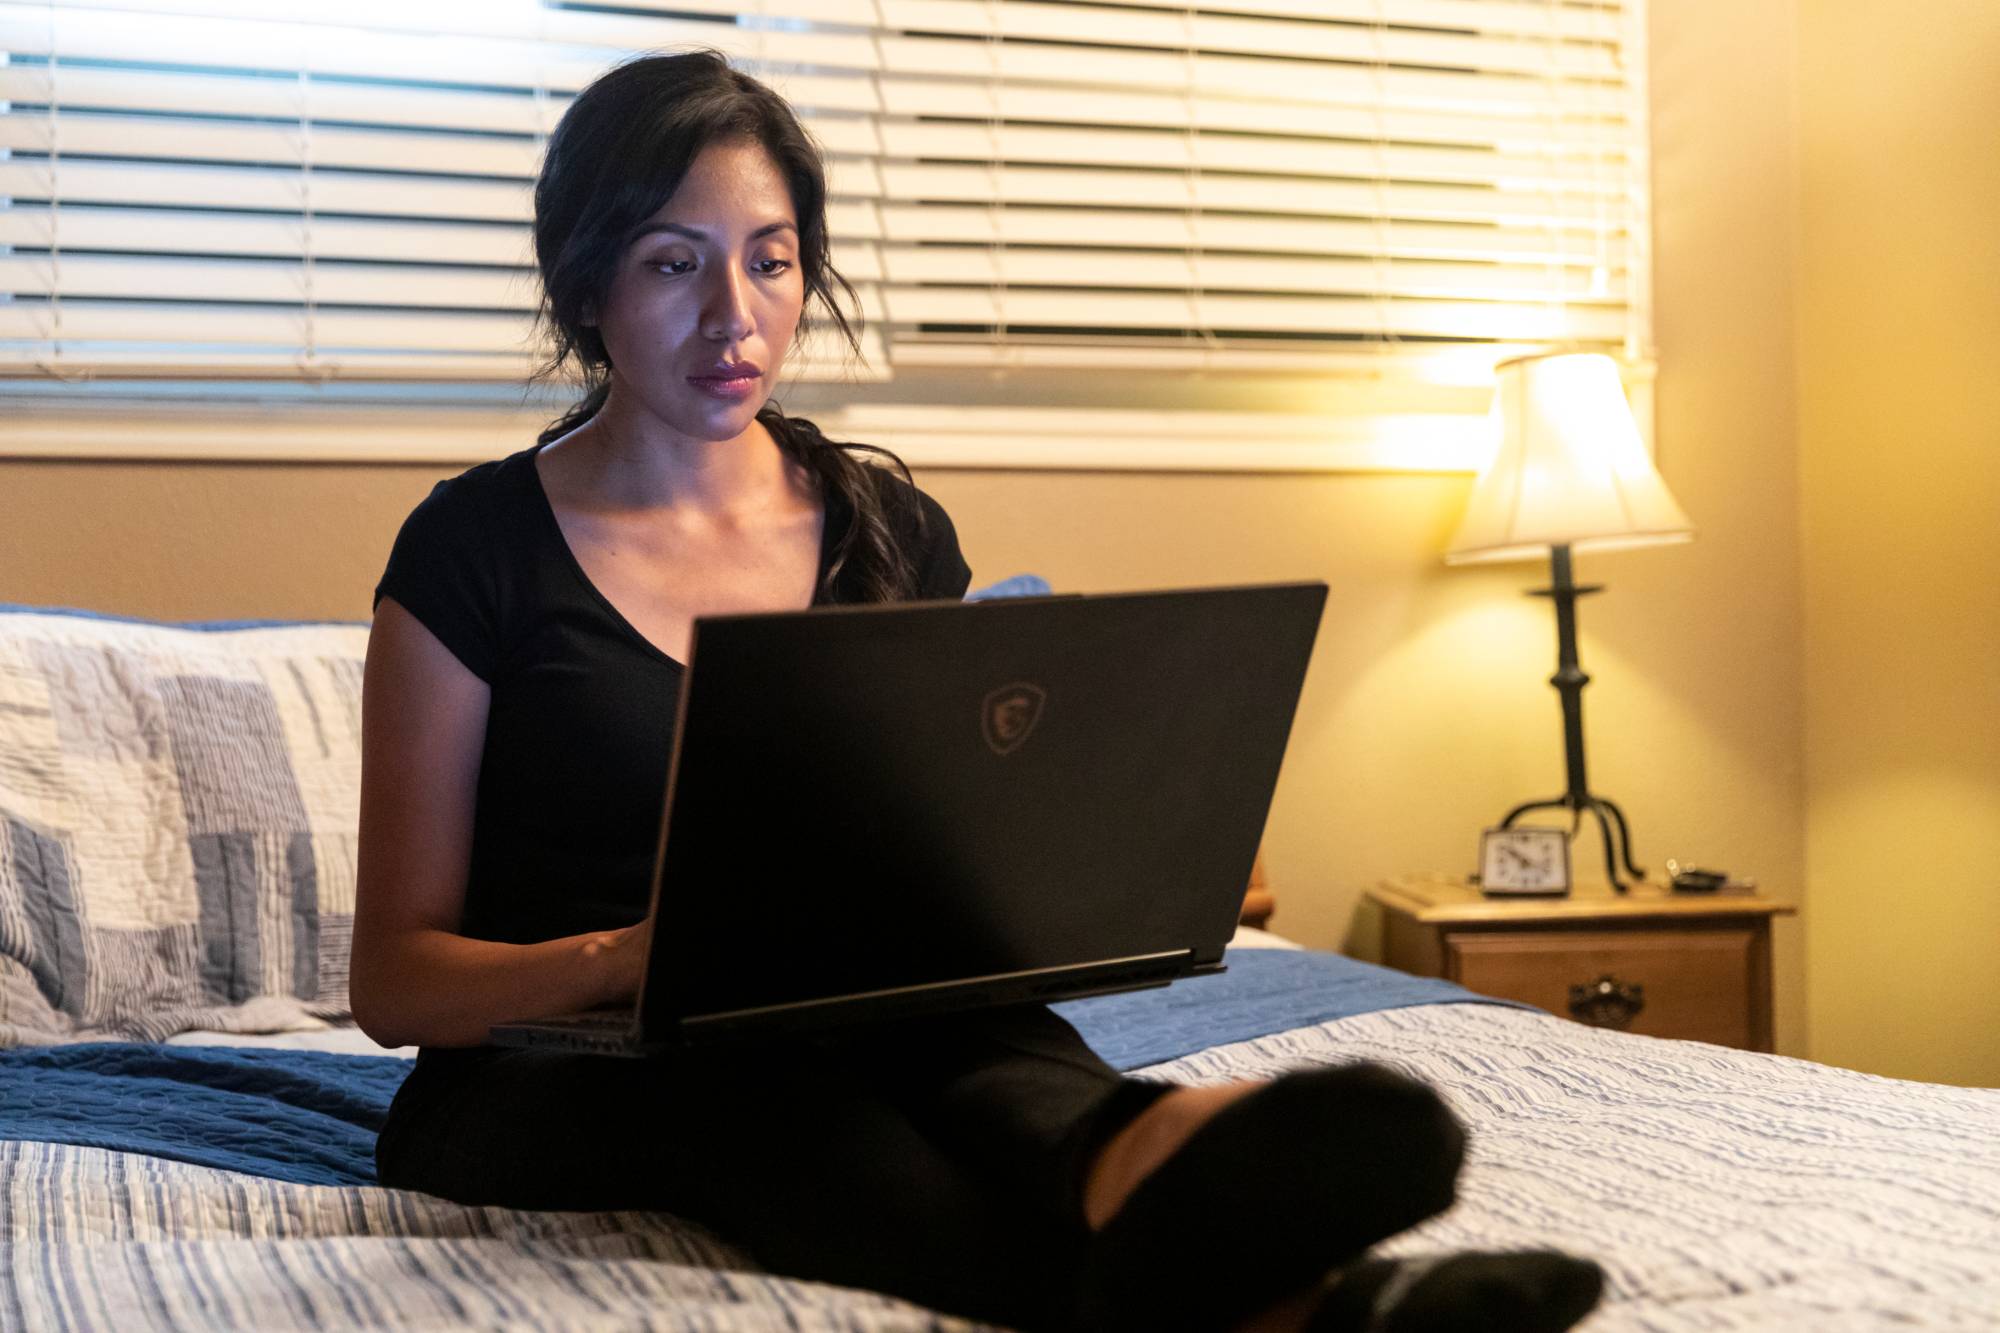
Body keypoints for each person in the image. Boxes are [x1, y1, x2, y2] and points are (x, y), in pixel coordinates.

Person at [352, 48, 1605, 1333]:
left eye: (770, 260)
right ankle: (1340, 1306)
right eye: (675, 263)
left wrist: (1073, 869)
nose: (734, 314)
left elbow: (921, 853)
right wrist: (625, 960)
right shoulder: (471, 552)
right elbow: (395, 986)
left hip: (850, 1009)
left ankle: (1163, 1149)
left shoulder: (882, 523)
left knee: (977, 1035)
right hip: (541, 1075)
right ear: (586, 278)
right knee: (767, 1088)